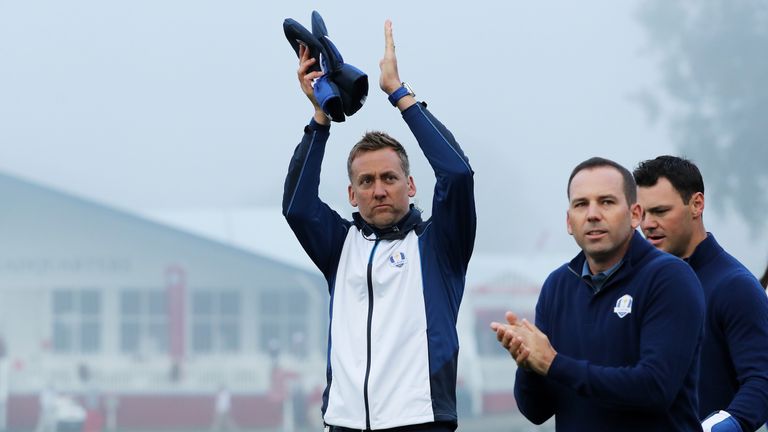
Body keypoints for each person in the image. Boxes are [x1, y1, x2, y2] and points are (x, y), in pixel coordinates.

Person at [282, 20, 475, 432]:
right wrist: (319, 117)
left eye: (389, 178)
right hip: (344, 423)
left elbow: (457, 175)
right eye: (366, 182)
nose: (379, 190)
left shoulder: (439, 244)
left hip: (420, 422)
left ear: (410, 185)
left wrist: (399, 94)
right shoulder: (341, 246)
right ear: (352, 195)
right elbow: (297, 207)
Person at [490, 157, 705, 431]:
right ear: (569, 222)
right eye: (581, 204)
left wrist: (554, 363)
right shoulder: (557, 286)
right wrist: (529, 365)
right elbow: (537, 411)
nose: (592, 214)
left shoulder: (670, 278)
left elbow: (654, 388)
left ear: (635, 214)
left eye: (606, 202)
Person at [634, 155, 768, 431]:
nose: (647, 224)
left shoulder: (735, 287)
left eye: (660, 211)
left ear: (696, 204)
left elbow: (761, 381)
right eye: (641, 213)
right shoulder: (636, 286)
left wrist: (721, 427)